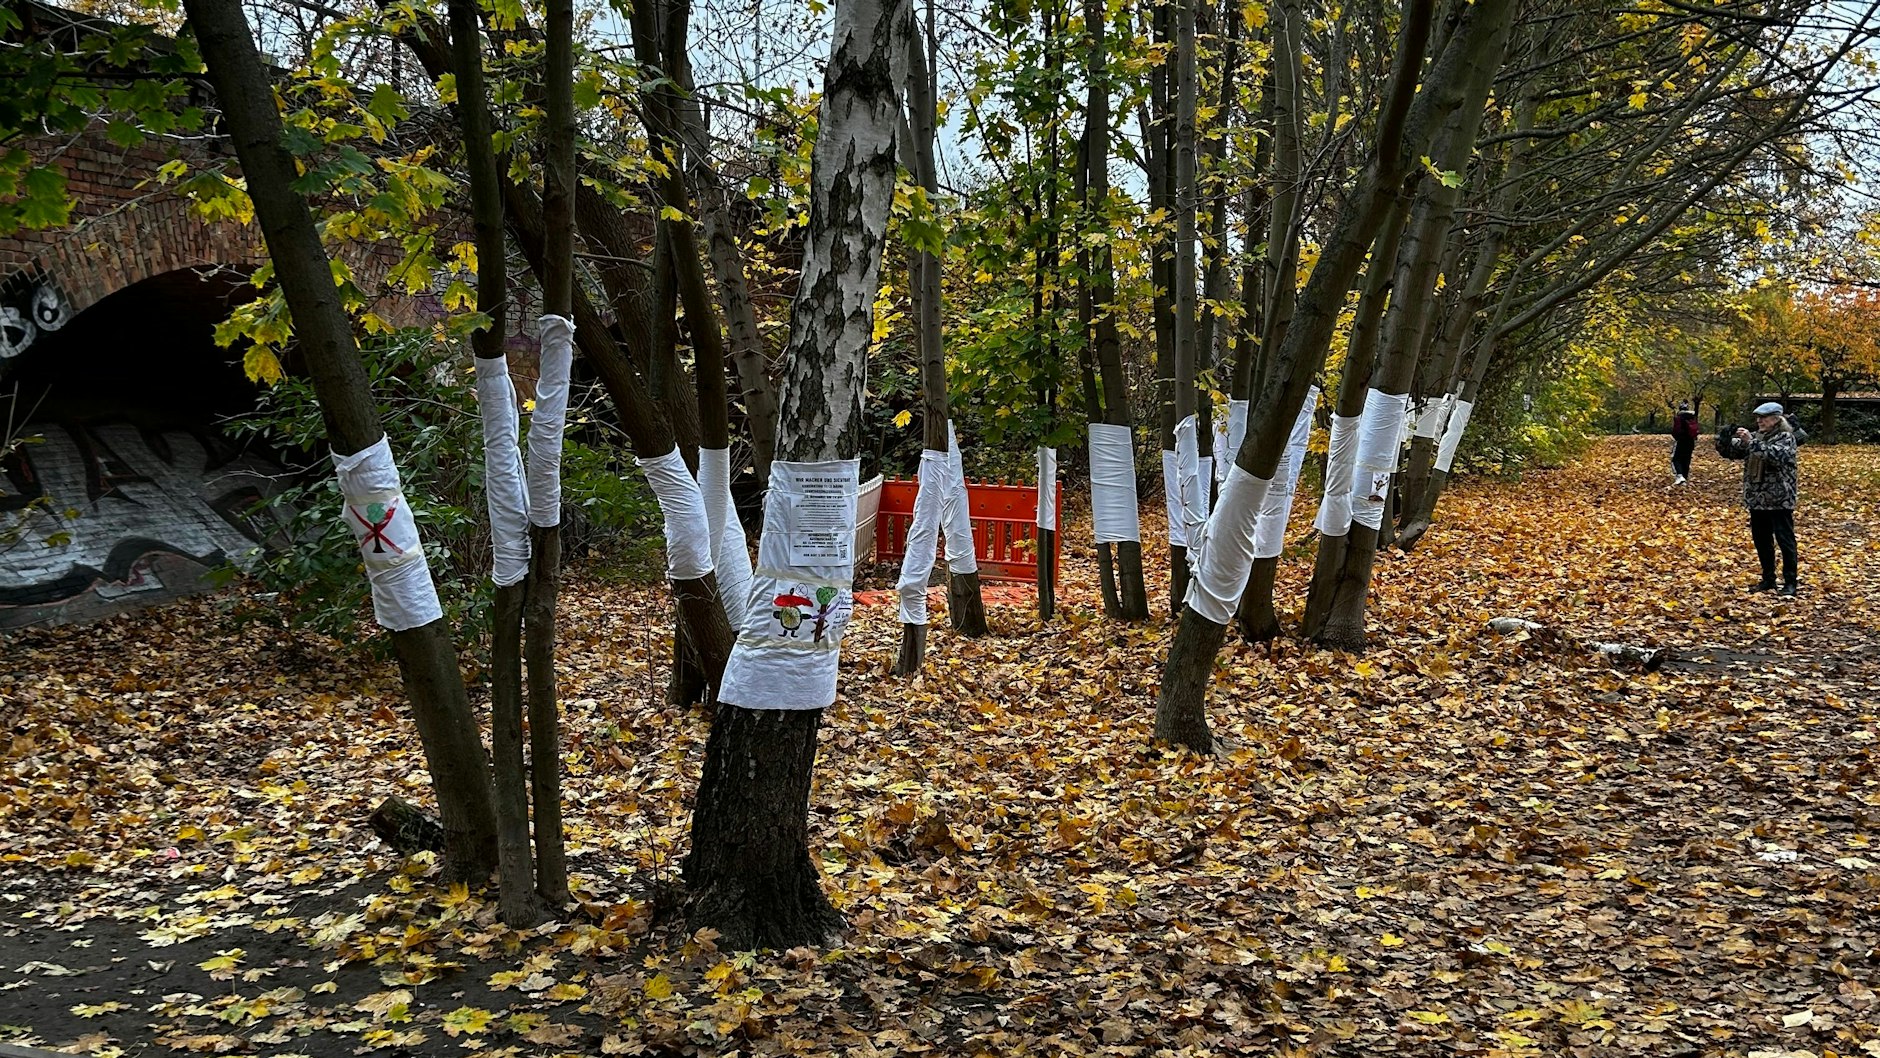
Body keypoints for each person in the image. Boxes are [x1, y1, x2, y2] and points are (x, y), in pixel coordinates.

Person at [1730, 401, 1799, 597]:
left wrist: (1750, 441)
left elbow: (1776, 456)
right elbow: (1734, 453)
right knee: (1762, 540)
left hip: (1780, 499)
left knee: (1785, 541)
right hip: (1757, 499)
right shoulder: (1757, 437)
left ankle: (1790, 582)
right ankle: (1768, 579)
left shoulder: (1786, 437)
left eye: (1764, 417)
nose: (1759, 421)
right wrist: (1725, 441)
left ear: (1777, 419)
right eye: (1758, 418)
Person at [1669, 403, 1699, 484]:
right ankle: (1685, 478)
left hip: (1681, 441)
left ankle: (1679, 476)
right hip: (1691, 441)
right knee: (1686, 459)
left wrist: (1677, 437)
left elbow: (1676, 430)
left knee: (1676, 459)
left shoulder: (1679, 418)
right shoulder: (1692, 417)